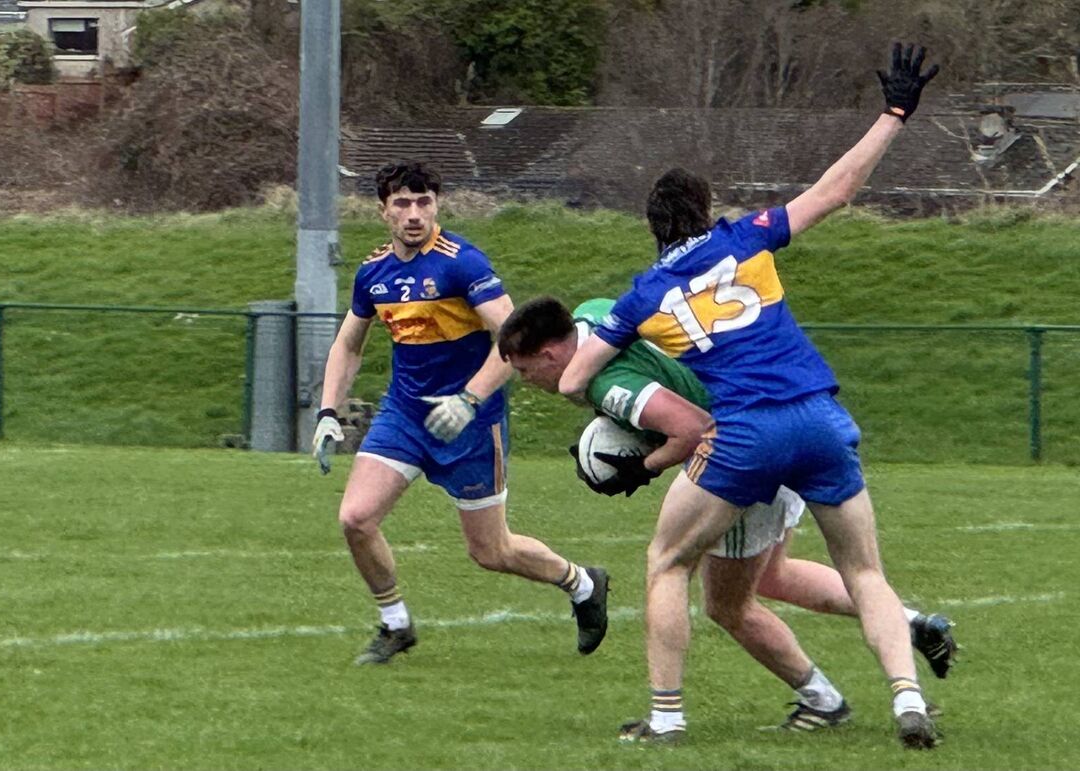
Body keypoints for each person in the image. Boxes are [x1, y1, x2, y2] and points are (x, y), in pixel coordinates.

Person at [556, 44, 943, 748]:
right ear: (706, 213)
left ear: (653, 228)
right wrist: (893, 113)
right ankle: (906, 697)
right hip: (820, 416)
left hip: (745, 434)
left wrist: (627, 390)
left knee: (668, 562)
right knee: (864, 571)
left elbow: (574, 377)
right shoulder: (747, 238)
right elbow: (835, 190)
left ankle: (667, 717)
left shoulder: (641, 296)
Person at [498, 295, 956, 732]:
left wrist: (640, 466)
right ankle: (910, 621)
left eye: (524, 369)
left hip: (745, 450)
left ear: (551, 353)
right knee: (775, 576)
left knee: (725, 603)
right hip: (785, 418)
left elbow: (694, 428)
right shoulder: (593, 315)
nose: (526, 380)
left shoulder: (609, 385)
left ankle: (818, 702)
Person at [311, 160, 609, 665]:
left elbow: (514, 340)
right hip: (405, 416)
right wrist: (326, 411)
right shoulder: (374, 273)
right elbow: (348, 344)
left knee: (491, 552)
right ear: (383, 211)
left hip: (471, 425)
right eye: (402, 203)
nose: (414, 213)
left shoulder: (461, 263)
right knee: (356, 518)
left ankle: (582, 583)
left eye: (424, 202)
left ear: (437, 206)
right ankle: (395, 623)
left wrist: (469, 399)